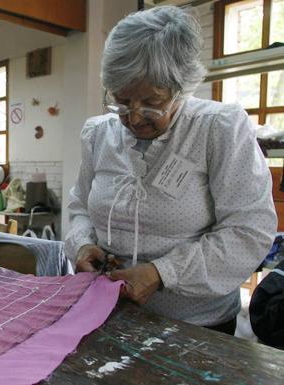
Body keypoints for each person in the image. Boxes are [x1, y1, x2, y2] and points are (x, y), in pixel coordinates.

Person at [64, 6, 277, 335]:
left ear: (181, 90)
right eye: (121, 102)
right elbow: (80, 207)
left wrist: (162, 273)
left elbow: (249, 231)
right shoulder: (97, 134)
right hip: (107, 310)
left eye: (152, 103)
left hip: (195, 324)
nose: (134, 118)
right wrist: (82, 245)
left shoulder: (218, 129)